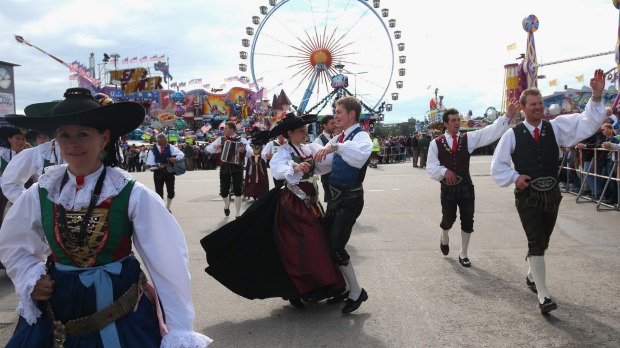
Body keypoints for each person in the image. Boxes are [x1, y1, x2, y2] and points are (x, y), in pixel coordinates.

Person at [0, 87, 212, 347]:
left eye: (83, 134)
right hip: (59, 303)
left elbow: (168, 264)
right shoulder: (42, 191)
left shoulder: (132, 193)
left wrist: (180, 328)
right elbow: (14, 244)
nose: (72, 144)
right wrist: (30, 278)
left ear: (104, 138)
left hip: (120, 306)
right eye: (64, 135)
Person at [491, 69, 607, 314]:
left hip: (552, 195)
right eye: (533, 104)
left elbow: (586, 124)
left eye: (540, 103)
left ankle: (533, 275)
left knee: (543, 241)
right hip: (527, 196)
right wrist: (514, 177)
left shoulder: (556, 128)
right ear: (523, 108)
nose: (538, 107)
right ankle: (544, 296)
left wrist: (596, 96)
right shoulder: (512, 134)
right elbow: (498, 165)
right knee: (535, 240)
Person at [201, 113, 344, 309]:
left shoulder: (308, 148)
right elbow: (278, 169)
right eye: (301, 130)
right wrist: (293, 167)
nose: (305, 133)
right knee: (302, 245)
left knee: (315, 243)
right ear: (290, 133)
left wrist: (340, 147)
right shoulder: (283, 152)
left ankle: (319, 286)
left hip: (310, 203)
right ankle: (299, 288)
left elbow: (326, 161)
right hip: (294, 204)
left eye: (305, 130)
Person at [426, 106, 513, 268]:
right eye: (453, 121)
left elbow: (488, 133)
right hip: (448, 188)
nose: (457, 123)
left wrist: (506, 116)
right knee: (448, 219)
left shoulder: (468, 139)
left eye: (458, 120)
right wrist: (444, 171)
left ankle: (463, 253)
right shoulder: (435, 143)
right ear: (446, 124)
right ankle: (444, 236)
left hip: (466, 185)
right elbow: (430, 167)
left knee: (468, 219)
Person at [314, 96, 372, 314]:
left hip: (350, 199)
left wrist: (336, 146)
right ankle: (344, 287)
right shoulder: (340, 137)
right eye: (335, 112)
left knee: (335, 247)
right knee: (325, 243)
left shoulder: (361, 136)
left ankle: (356, 292)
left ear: (351, 114)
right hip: (336, 199)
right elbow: (324, 164)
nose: (335, 116)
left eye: (339, 112)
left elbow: (359, 157)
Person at [1, 102, 63, 209]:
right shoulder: (37, 153)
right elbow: (10, 183)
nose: (20, 142)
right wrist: (33, 205)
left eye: (22, 139)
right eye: (17, 138)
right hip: (46, 212)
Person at [206, 122, 251, 218]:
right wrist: (215, 147)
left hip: (237, 166)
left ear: (232, 129)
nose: (224, 130)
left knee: (238, 189)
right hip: (225, 166)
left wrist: (244, 151)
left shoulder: (242, 140)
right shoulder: (221, 139)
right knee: (223, 191)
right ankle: (226, 205)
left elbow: (250, 152)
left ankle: (238, 213)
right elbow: (208, 148)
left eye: (226, 128)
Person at [145, 133, 184, 213]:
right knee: (159, 193)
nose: (166, 142)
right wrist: (157, 166)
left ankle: (168, 207)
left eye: (166, 140)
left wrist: (175, 158)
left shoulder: (170, 147)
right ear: (158, 141)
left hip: (169, 172)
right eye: (164, 141)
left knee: (171, 192)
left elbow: (181, 154)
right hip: (158, 174)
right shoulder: (152, 151)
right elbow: (149, 165)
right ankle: (162, 209)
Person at [312, 115, 337, 200]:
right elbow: (318, 160)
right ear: (324, 125)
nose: (335, 125)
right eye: (332, 123)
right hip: (327, 176)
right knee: (331, 200)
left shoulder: (336, 137)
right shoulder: (318, 140)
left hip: (337, 173)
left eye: (335, 122)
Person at [244, 130, 270, 200]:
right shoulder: (249, 142)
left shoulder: (264, 143)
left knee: (262, 177)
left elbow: (264, 151)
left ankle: (262, 193)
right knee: (251, 177)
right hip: (252, 160)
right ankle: (252, 193)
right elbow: (248, 151)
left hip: (260, 161)